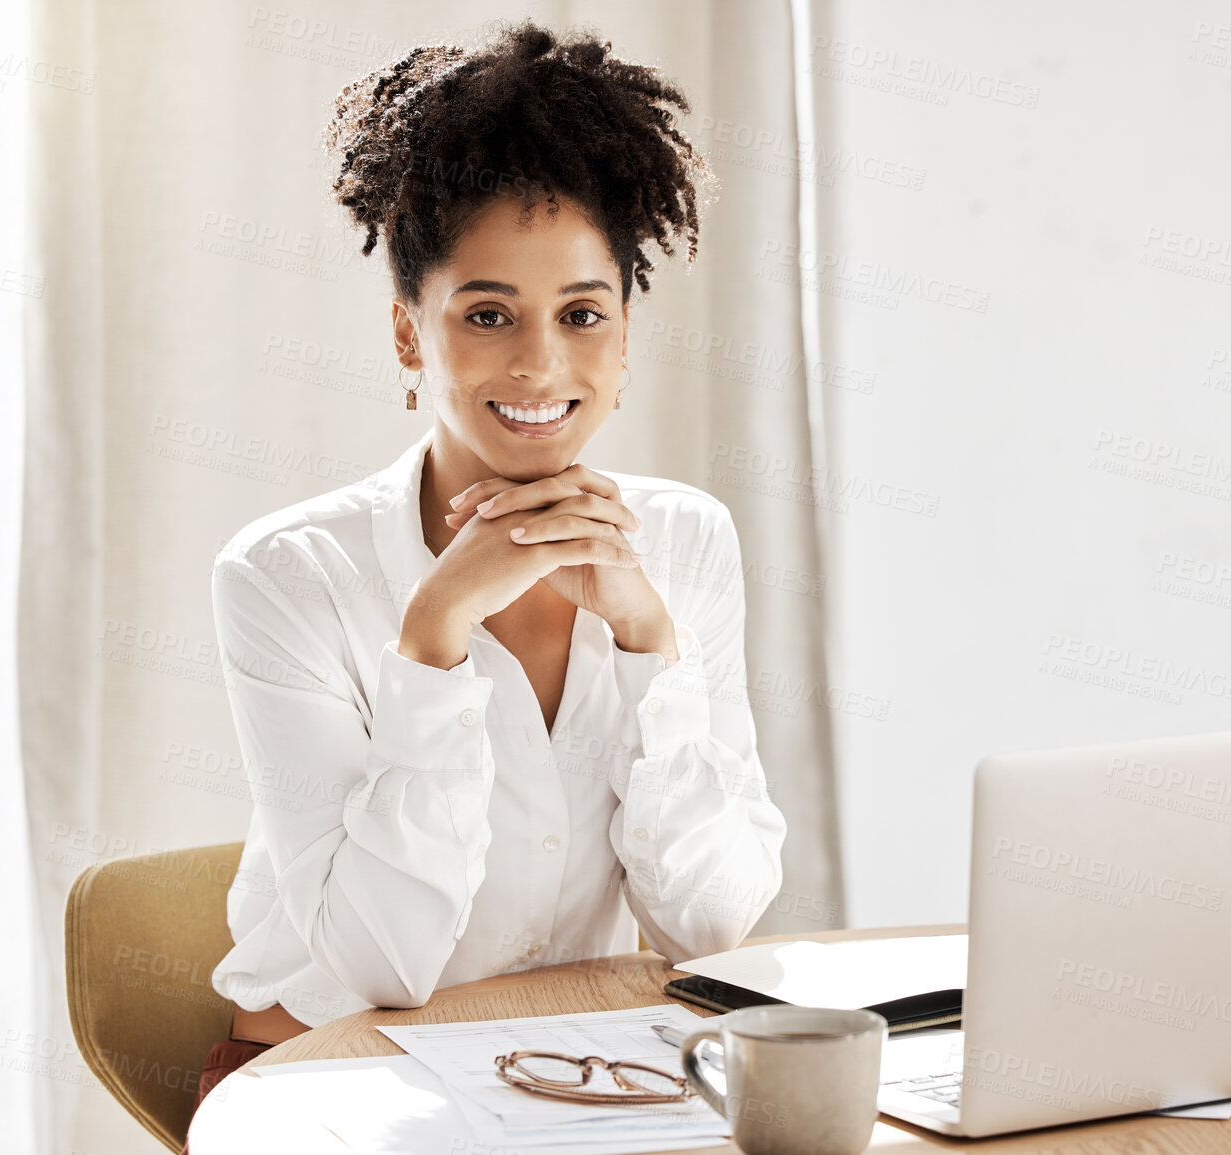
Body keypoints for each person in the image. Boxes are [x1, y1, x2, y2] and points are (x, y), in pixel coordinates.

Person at [188, 18, 788, 1122]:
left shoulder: (686, 542)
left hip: (576, 1077)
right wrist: (433, 636)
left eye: (582, 316)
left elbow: (710, 927)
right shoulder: (287, 575)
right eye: (486, 314)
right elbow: (384, 969)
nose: (540, 364)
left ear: (623, 338)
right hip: (329, 1078)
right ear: (411, 337)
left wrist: (654, 646)